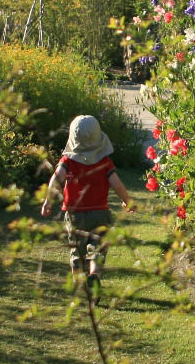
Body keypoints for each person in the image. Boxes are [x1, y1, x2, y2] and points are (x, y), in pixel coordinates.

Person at [39, 115, 133, 298]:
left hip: (74, 215)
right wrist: (126, 201)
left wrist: (48, 201)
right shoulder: (105, 163)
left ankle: (80, 285)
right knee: (97, 248)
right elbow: (117, 184)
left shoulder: (68, 162)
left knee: (77, 250)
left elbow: (56, 179)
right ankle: (94, 275)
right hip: (100, 212)